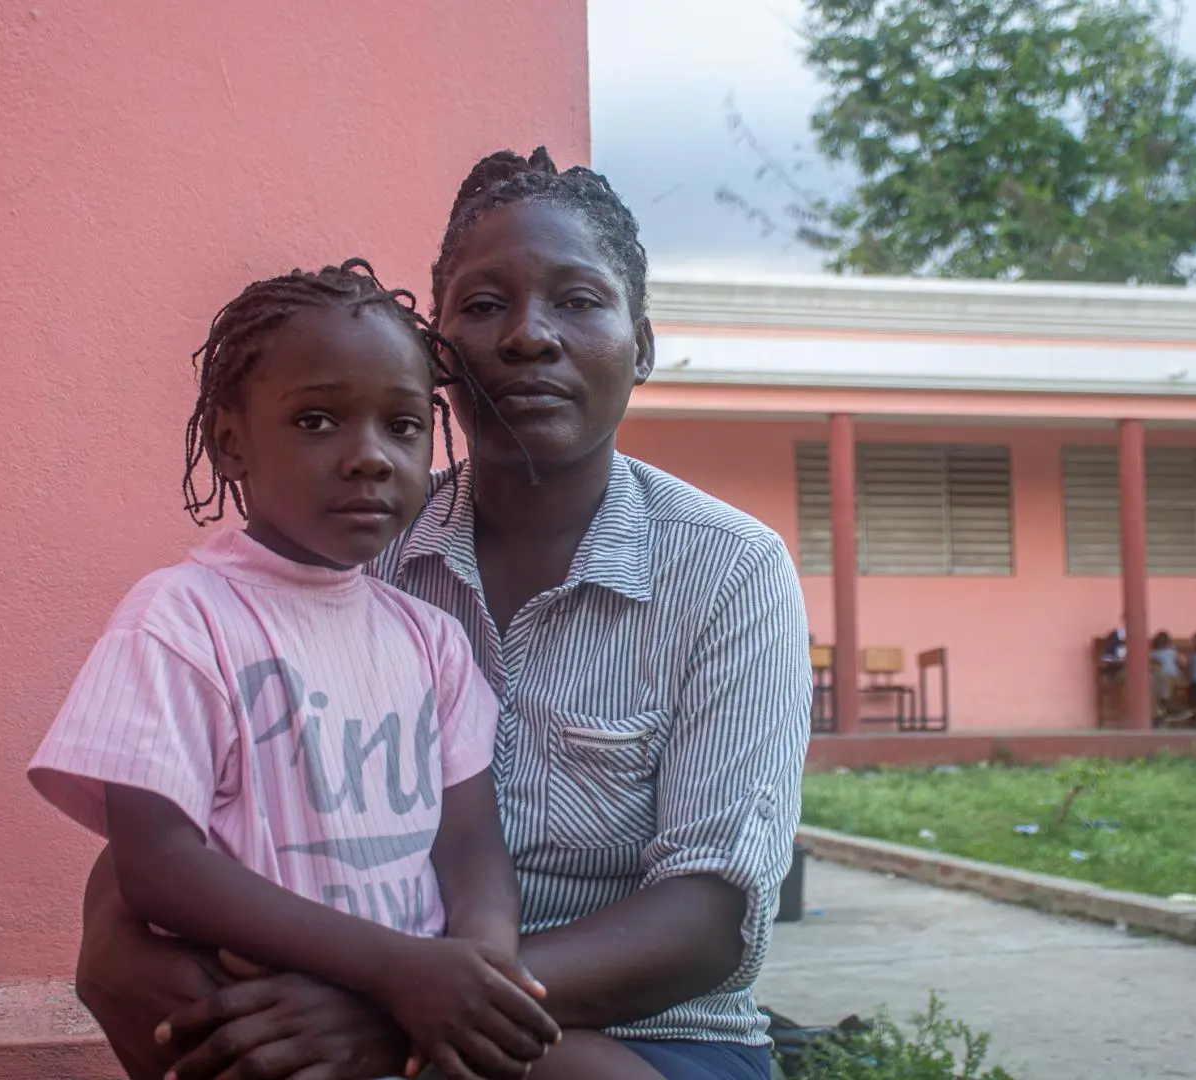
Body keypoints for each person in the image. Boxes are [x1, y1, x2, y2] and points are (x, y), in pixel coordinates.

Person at [71, 149, 812, 1080]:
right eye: (485, 305)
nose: (529, 337)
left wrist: (403, 1013)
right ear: (442, 356)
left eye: (580, 301)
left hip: (648, 1032)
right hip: (358, 984)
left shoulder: (729, 571)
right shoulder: (351, 542)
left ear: (644, 346)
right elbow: (180, 816)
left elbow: (708, 920)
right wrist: (111, 936)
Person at [27, 260, 562, 1080]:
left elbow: (470, 845)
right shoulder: (180, 620)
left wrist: (476, 973)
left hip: (408, 1033)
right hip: (265, 1035)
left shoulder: (432, 641)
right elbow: (156, 866)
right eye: (317, 421)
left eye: (405, 426)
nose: (370, 457)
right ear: (231, 443)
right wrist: (397, 970)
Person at [1149, 632, 1185, 725]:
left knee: (1166, 681)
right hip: (1160, 676)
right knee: (1156, 682)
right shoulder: (1153, 653)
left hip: (1172, 675)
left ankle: (1165, 706)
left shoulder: (1172, 651)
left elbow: (1181, 661)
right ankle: (1165, 706)